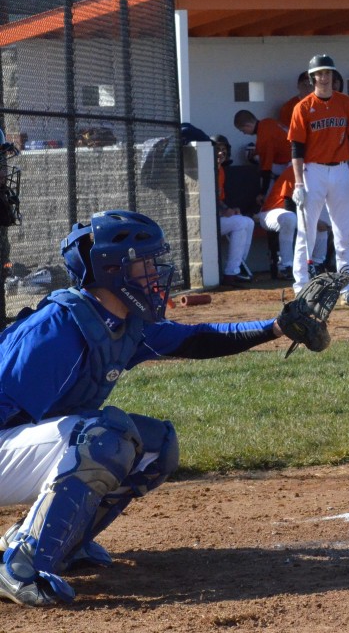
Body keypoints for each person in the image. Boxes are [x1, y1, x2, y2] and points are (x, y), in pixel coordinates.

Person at [0, 210, 298, 606]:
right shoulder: (56, 331)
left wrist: (277, 327)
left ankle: (62, 541)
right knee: (102, 439)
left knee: (156, 445)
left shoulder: (123, 322)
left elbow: (197, 339)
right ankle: (18, 563)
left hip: (15, 449)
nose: (154, 273)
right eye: (143, 263)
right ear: (111, 270)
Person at [287, 53, 349, 305]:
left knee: (344, 233)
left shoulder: (346, 103)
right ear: (312, 78)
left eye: (328, 73)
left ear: (334, 76)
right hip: (313, 172)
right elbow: (296, 149)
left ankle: (346, 288)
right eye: (320, 73)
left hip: (341, 169)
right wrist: (298, 183)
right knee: (306, 232)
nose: (324, 77)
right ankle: (300, 288)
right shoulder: (302, 107)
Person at [255, 167, 331, 281]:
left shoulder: (323, 172)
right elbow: (289, 207)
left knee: (323, 216)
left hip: (299, 214)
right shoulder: (294, 170)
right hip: (273, 212)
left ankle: (318, 263)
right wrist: (313, 221)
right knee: (289, 219)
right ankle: (286, 266)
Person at [213, 135, 255, 286]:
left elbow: (219, 199)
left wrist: (228, 209)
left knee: (248, 222)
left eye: (223, 150)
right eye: (217, 149)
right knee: (240, 223)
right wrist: (222, 212)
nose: (220, 153)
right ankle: (231, 273)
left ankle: (237, 267)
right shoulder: (204, 169)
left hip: (216, 219)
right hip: (202, 222)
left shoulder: (221, 171)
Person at [233, 110, 291, 196]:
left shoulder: (263, 139)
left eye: (243, 130)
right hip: (301, 157)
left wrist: (262, 193)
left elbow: (266, 170)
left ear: (248, 126)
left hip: (294, 164)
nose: (244, 133)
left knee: (264, 174)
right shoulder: (268, 121)